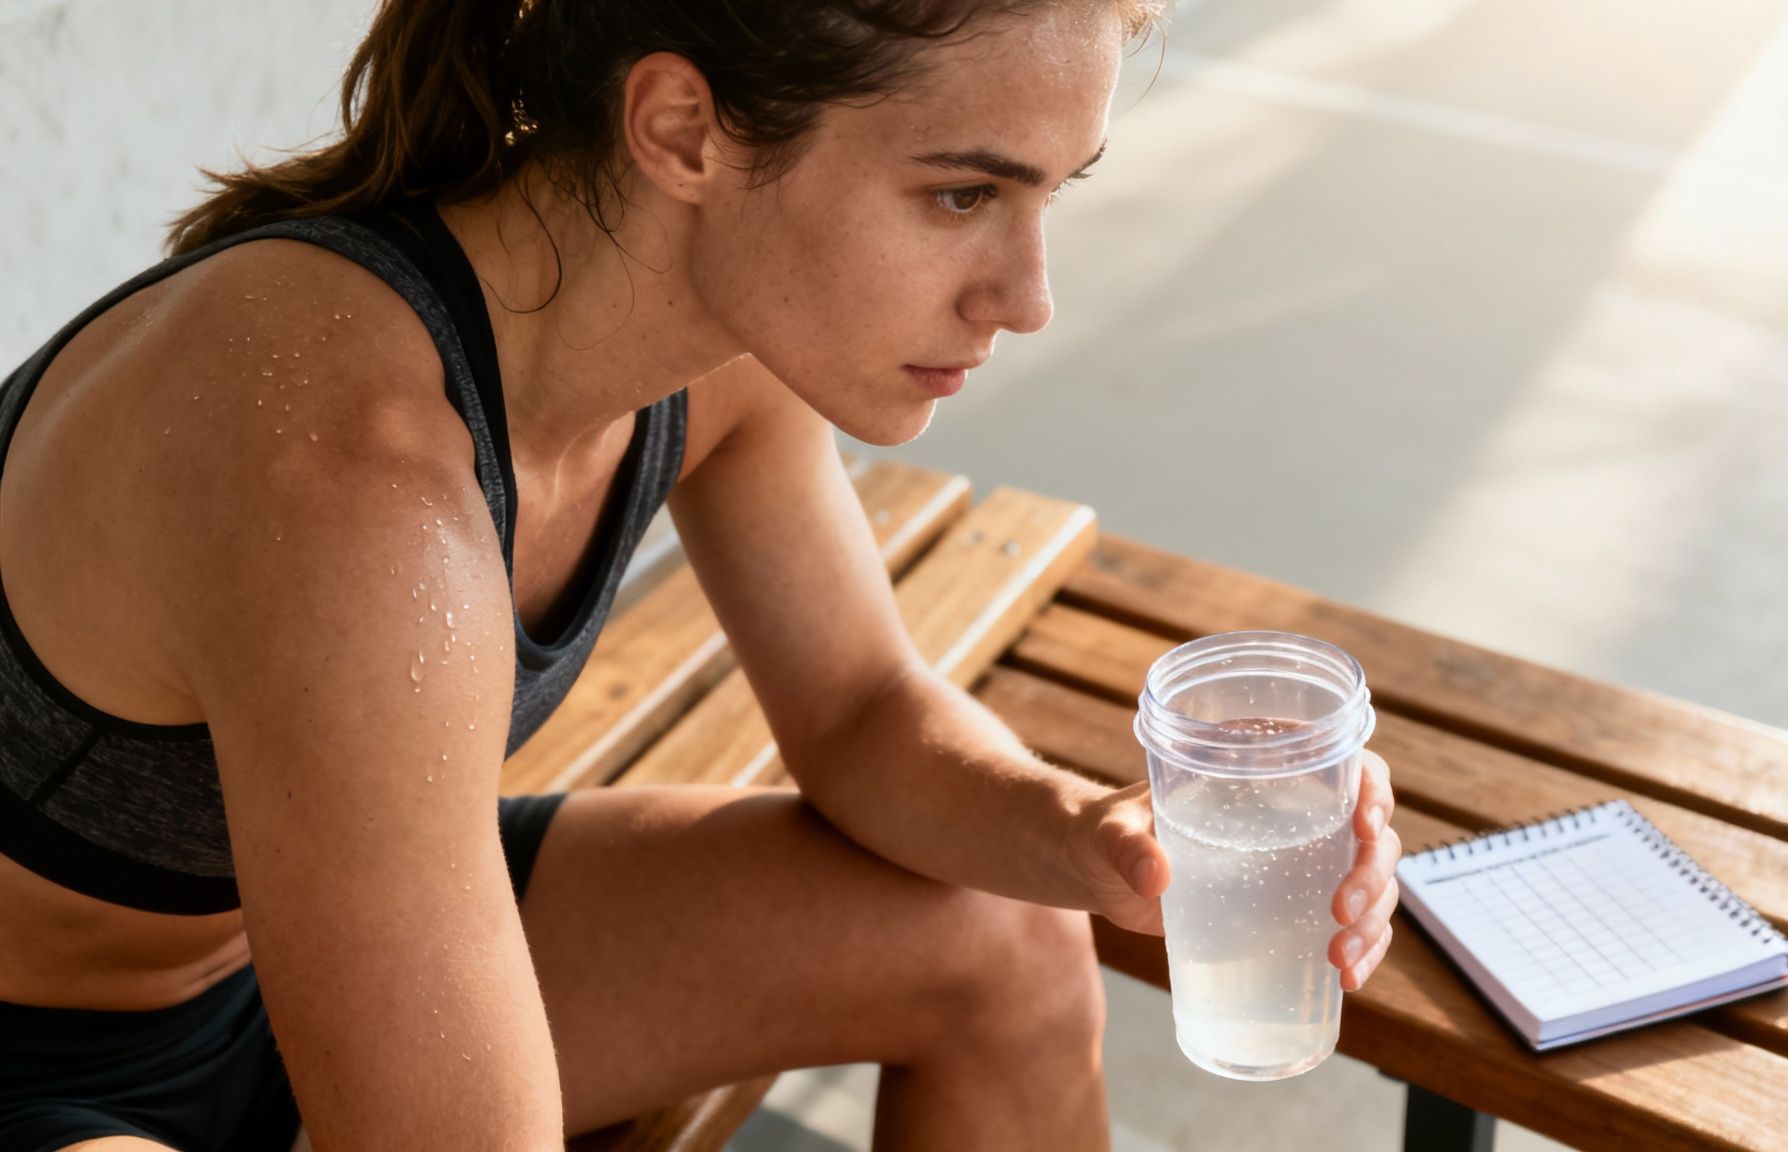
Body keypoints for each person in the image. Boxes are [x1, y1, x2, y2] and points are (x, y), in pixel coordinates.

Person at [0, 1, 1402, 1148]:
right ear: (684, 131)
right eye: (962, 192)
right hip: (35, 1064)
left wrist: (1100, 834)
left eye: (1047, 195)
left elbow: (859, 716)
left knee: (1004, 946)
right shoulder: (354, 482)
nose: (1027, 294)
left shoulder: (720, 335)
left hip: (284, 954)